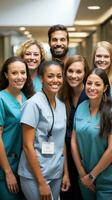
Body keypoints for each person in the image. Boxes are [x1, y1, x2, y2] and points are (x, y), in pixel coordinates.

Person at [18, 60, 70, 200]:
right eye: (50, 76)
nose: (55, 80)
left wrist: (65, 173)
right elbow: (27, 146)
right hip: (34, 175)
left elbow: (61, 141)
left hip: (56, 172)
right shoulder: (33, 104)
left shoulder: (61, 105)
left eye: (59, 76)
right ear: (42, 78)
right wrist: (41, 182)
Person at [71, 68, 112, 200]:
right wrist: (82, 173)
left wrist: (92, 176)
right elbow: (73, 142)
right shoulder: (82, 106)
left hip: (106, 179)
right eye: (89, 83)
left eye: (97, 84)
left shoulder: (110, 111)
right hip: (84, 177)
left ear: (105, 88)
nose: (92, 88)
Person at [0, 56, 34, 200]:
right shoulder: (1, 99)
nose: (20, 77)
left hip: (25, 167)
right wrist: (8, 172)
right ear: (6, 75)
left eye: (23, 72)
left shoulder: (25, 97)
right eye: (14, 73)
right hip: (7, 166)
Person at [59, 55, 89, 200]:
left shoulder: (92, 96)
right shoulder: (61, 96)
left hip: (88, 158)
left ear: (85, 74)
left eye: (78, 72)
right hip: (66, 160)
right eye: (70, 71)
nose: (74, 76)